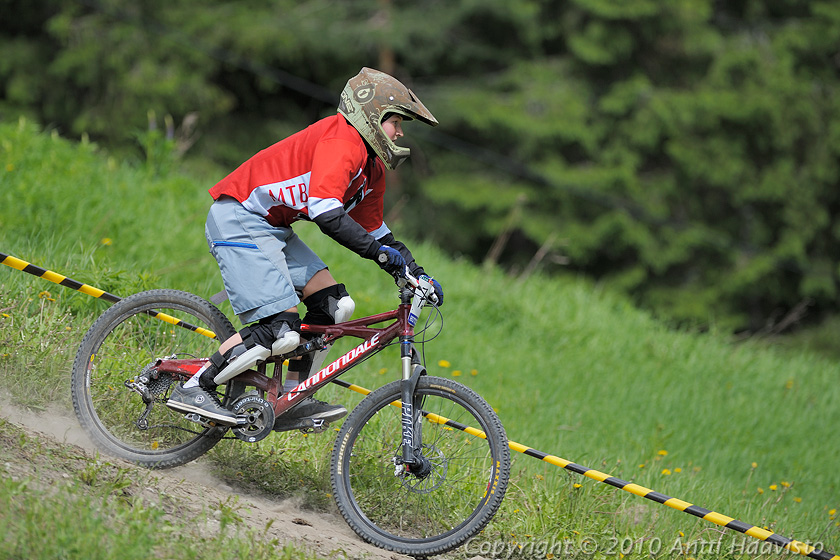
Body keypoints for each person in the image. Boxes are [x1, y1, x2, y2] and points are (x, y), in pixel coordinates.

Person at [166, 67, 443, 427]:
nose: (401, 131)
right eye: (395, 121)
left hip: (272, 227)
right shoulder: (341, 141)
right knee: (279, 329)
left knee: (334, 308)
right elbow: (327, 213)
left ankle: (290, 397)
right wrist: (378, 256)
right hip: (239, 217)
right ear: (372, 115)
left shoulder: (370, 168)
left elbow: (375, 231)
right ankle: (194, 386)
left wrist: (415, 271)